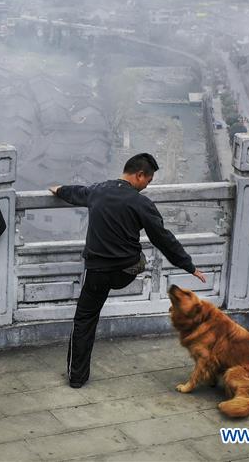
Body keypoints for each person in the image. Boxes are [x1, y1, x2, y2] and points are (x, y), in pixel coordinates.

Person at [49, 153, 207, 389]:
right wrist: (189, 265)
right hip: (126, 270)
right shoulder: (141, 203)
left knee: (84, 320)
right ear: (140, 175)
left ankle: (76, 377)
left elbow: (75, 192)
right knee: (140, 256)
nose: (147, 186)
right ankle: (136, 261)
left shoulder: (98, 191)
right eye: (148, 181)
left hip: (97, 271)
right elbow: (163, 238)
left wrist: (58, 189)